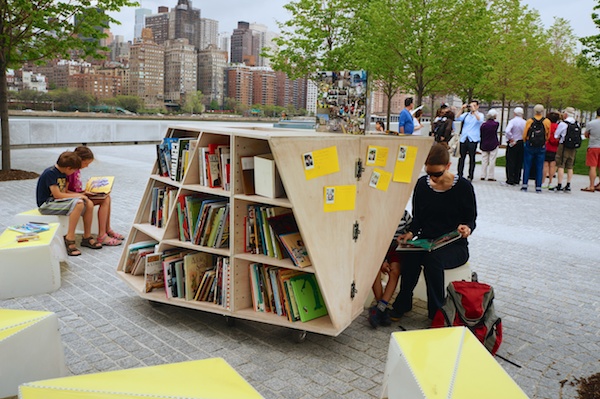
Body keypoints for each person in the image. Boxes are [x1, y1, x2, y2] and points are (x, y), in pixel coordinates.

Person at [389, 143, 477, 321]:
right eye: (429, 173)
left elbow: (470, 220)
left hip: (455, 245)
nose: (433, 179)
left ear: (448, 166)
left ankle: (436, 312)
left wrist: (466, 228)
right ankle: (403, 302)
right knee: (410, 255)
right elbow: (418, 219)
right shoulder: (422, 185)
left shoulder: (463, 187)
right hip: (427, 241)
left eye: (437, 174)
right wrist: (410, 234)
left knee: (433, 259)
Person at [36, 151, 101, 256]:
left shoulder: (63, 173)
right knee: (79, 203)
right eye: (74, 170)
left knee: (88, 203)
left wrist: (82, 193)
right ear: (69, 168)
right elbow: (57, 195)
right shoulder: (50, 173)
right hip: (47, 204)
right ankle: (69, 238)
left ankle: (87, 237)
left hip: (58, 202)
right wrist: (78, 196)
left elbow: (65, 192)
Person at [67, 146, 125, 245]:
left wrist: (86, 190)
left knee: (106, 197)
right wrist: (82, 194)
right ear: (80, 160)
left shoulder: (76, 170)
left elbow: (75, 188)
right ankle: (102, 235)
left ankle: (107, 229)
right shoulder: (70, 171)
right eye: (86, 163)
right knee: (104, 199)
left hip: (80, 195)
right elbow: (65, 191)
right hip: (75, 199)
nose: (87, 166)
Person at [368, 210, 412, 328]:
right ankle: (380, 307)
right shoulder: (380, 211)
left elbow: (410, 230)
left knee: (395, 270)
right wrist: (382, 261)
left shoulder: (405, 215)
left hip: (396, 246)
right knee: (374, 269)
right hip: (378, 244)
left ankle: (380, 307)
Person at [521, 104, 550, 193]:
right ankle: (538, 186)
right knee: (539, 166)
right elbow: (548, 134)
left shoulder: (529, 121)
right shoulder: (547, 122)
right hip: (541, 146)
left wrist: (526, 140)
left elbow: (525, 133)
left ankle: (525, 185)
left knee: (527, 165)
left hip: (530, 145)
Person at [551, 107, 578, 192]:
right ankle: (568, 184)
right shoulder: (576, 123)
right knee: (570, 166)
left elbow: (556, 135)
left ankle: (559, 184)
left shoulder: (563, 124)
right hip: (573, 147)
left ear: (565, 114)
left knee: (561, 165)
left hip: (563, 145)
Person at [456, 100, 484, 181]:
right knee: (461, 157)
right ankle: (459, 174)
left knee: (472, 158)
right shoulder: (466, 115)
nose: (472, 107)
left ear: (477, 106)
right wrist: (461, 109)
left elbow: (480, 120)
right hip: (464, 138)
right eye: (471, 106)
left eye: (474, 105)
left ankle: (470, 175)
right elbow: (457, 118)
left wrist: (474, 111)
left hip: (473, 139)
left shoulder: (480, 115)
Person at [503, 107, 526, 186]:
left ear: (514, 113)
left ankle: (510, 179)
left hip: (513, 143)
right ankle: (517, 178)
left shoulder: (512, 121)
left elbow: (507, 131)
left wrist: (511, 138)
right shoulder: (525, 122)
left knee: (510, 161)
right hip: (521, 142)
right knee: (519, 161)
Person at [581, 107, 600, 192]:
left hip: (593, 146)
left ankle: (591, 185)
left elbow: (586, 135)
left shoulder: (591, 123)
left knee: (593, 166)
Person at [479, 109, 500, 181]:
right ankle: (490, 176)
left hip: (484, 143)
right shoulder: (496, 124)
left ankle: (482, 175)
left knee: (484, 160)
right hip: (493, 143)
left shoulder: (483, 125)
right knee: (492, 160)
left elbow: (481, 134)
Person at [542, 112, 561, 189]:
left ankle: (543, 182)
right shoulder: (558, 126)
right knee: (552, 165)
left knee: (545, 165)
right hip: (555, 148)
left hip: (547, 146)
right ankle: (550, 182)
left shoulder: (547, 125)